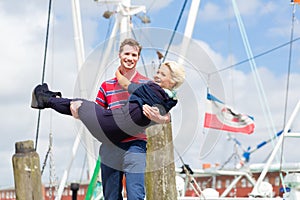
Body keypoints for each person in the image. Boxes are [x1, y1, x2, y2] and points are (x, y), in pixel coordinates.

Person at [31, 38, 185, 200]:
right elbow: (100, 113)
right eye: (126, 54)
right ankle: (48, 100)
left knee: (136, 193)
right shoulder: (106, 86)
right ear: (119, 55)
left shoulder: (148, 84)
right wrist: (83, 114)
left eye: (134, 55)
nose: (130, 58)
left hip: (134, 145)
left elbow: (163, 113)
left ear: (138, 57)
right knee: (111, 196)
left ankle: (46, 100)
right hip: (111, 143)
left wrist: (161, 118)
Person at [31, 61, 185, 144]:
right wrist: (164, 119)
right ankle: (48, 98)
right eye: (158, 72)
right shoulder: (168, 102)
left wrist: (119, 71)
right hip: (116, 135)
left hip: (107, 123)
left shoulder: (151, 89)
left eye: (162, 74)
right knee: (82, 104)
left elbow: (125, 84)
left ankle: (45, 99)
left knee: (78, 104)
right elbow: (166, 117)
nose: (156, 76)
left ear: (172, 82)